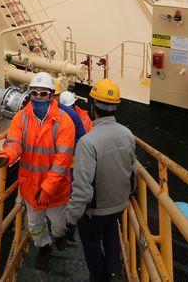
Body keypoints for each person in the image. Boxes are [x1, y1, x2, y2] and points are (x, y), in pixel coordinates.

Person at [0, 71, 76, 270]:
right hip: (29, 186)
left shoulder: (64, 122)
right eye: (34, 93)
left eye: (43, 93)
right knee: (35, 225)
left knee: (58, 222)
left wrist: (48, 188)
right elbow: (15, 142)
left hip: (55, 189)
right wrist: (6, 155)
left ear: (52, 96)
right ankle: (44, 246)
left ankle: (60, 235)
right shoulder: (21, 118)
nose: (37, 98)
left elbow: (62, 160)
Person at [65, 78, 136, 282]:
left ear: (93, 106)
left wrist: (71, 219)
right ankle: (114, 271)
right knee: (111, 230)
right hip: (119, 203)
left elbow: (82, 189)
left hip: (95, 210)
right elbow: (133, 171)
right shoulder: (127, 134)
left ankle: (99, 277)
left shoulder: (88, 142)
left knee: (91, 241)